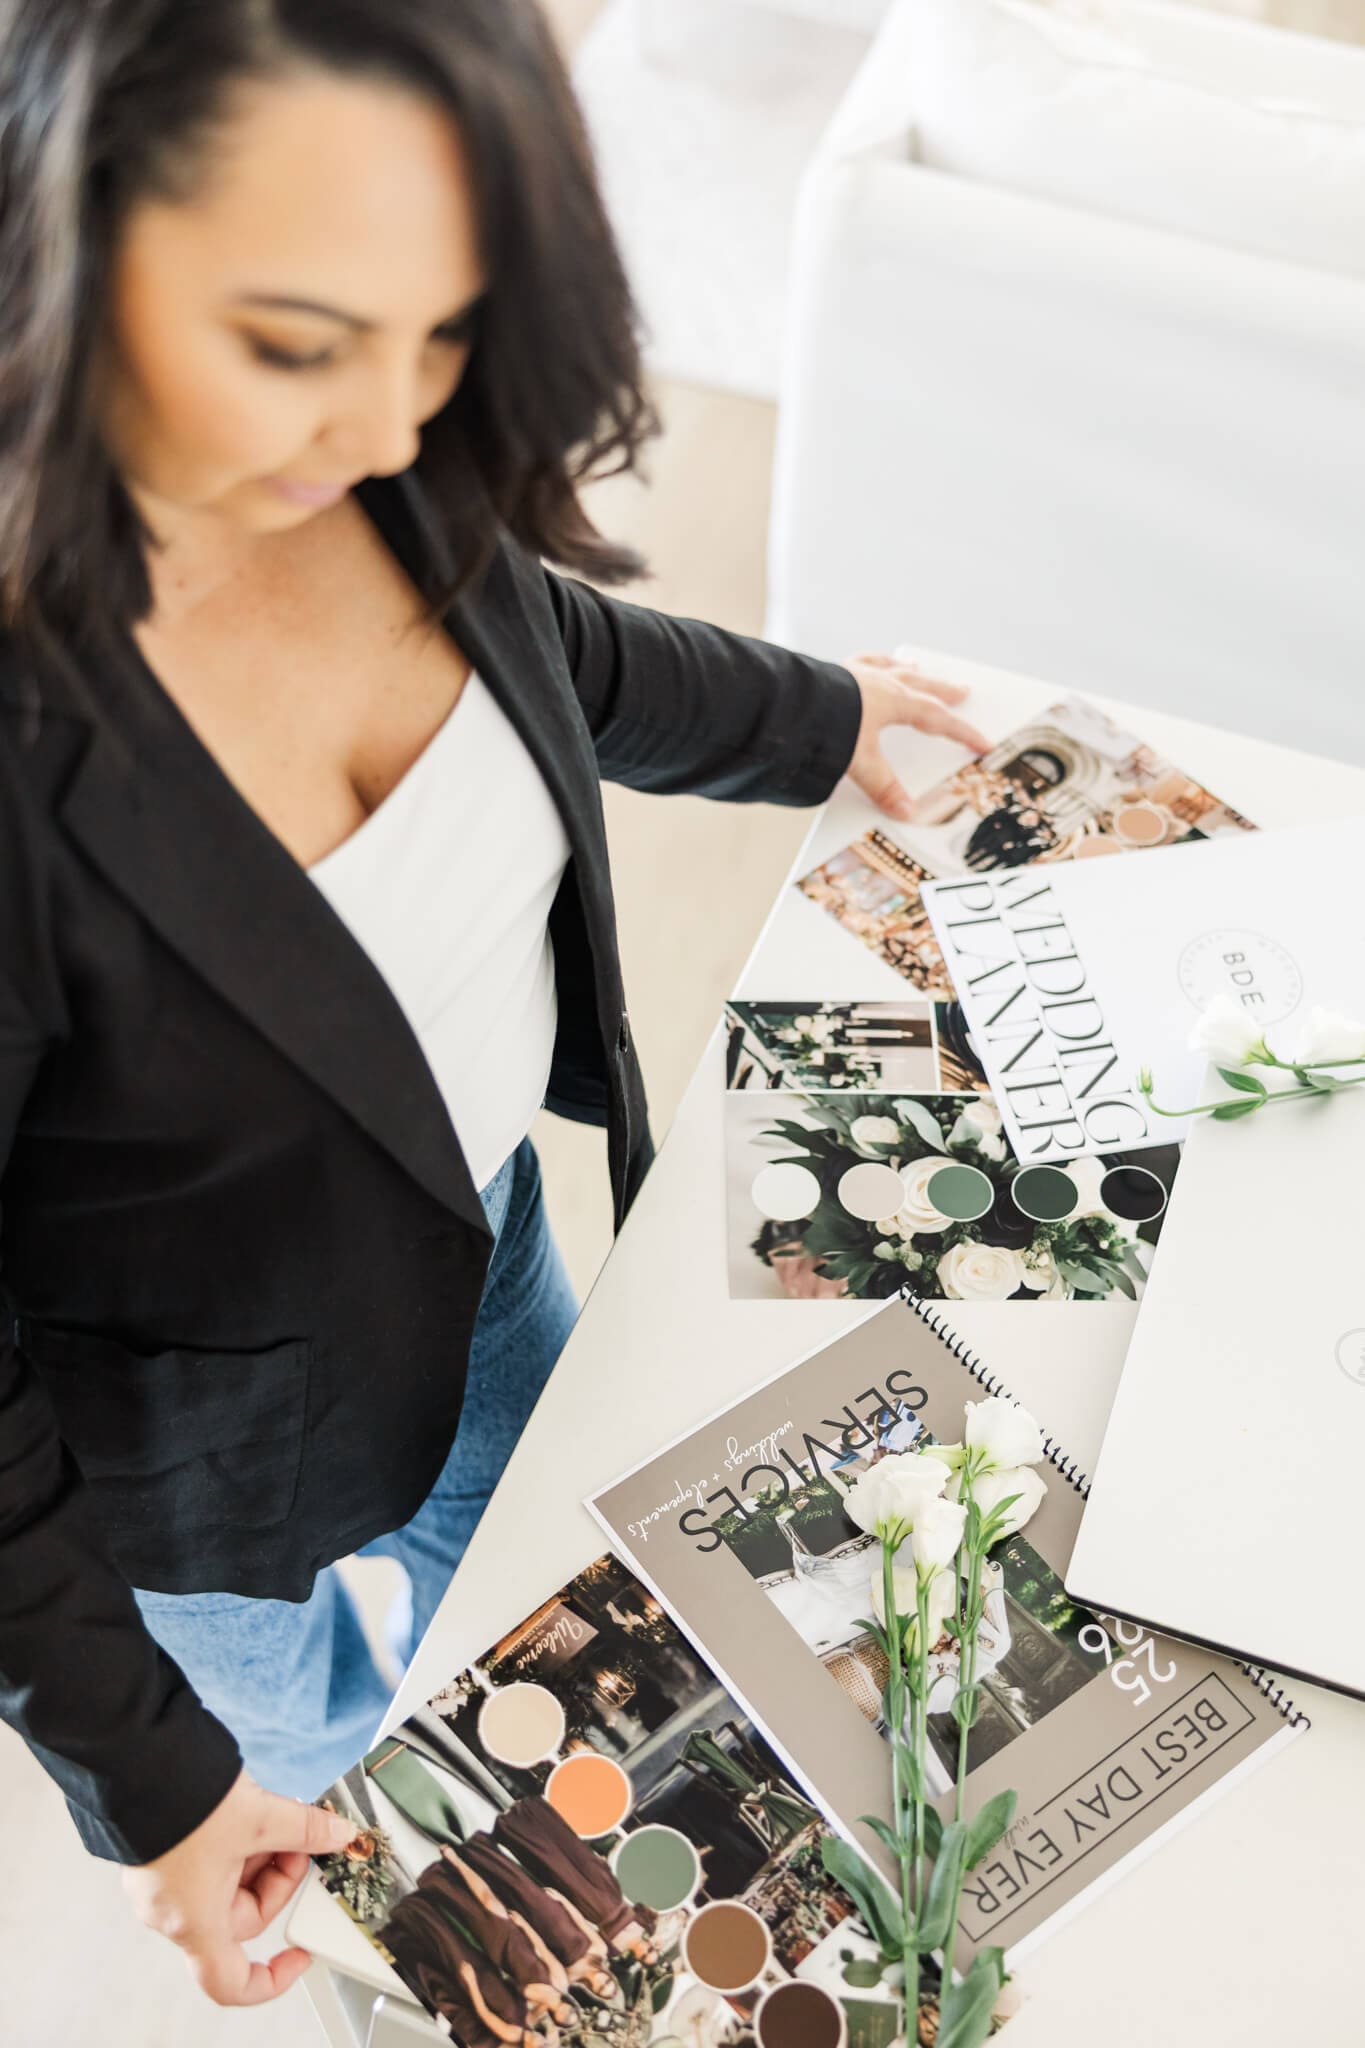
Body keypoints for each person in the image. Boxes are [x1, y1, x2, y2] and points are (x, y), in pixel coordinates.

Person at [0, 0, 990, 2013]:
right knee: (393, 1831)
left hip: (487, 1258)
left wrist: (824, 718)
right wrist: (163, 1785)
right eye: (295, 346)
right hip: (209, 1495)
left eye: (440, 333)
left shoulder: (386, 465)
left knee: (629, 1664)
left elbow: (562, 658)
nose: (385, 433)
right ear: (57, 246)